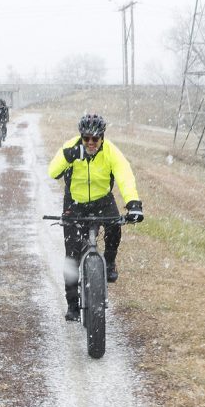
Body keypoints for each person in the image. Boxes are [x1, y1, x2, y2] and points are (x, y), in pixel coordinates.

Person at [47, 113, 144, 321]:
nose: (90, 143)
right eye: (86, 138)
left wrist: (133, 204)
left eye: (95, 139)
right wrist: (70, 155)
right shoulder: (71, 147)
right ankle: (73, 304)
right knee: (71, 257)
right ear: (81, 137)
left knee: (115, 226)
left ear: (102, 137)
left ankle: (109, 262)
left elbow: (124, 175)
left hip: (102, 201)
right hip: (74, 204)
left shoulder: (110, 151)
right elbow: (52, 171)